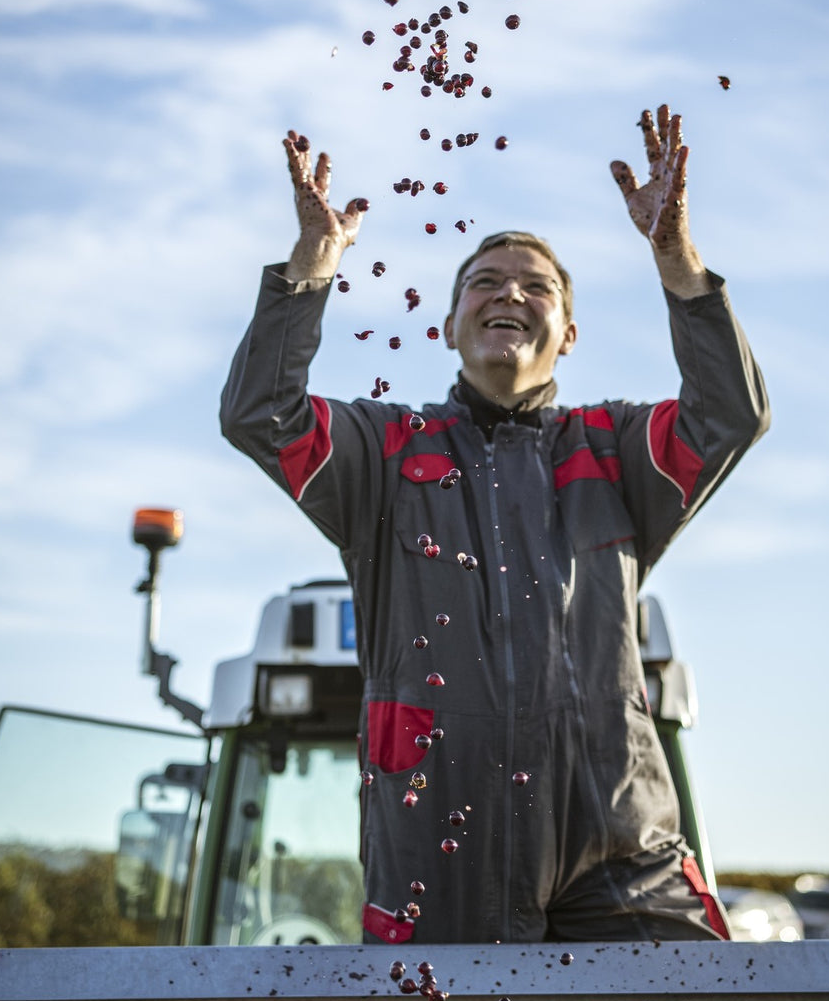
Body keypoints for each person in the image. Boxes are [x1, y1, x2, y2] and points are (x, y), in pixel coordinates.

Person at [220, 105, 770, 944]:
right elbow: (262, 414)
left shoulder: (614, 450)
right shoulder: (386, 455)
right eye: (485, 280)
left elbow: (729, 414)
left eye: (537, 285)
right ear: (448, 327)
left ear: (570, 334)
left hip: (621, 855)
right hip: (436, 860)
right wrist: (311, 265)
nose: (510, 291)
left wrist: (677, 260)